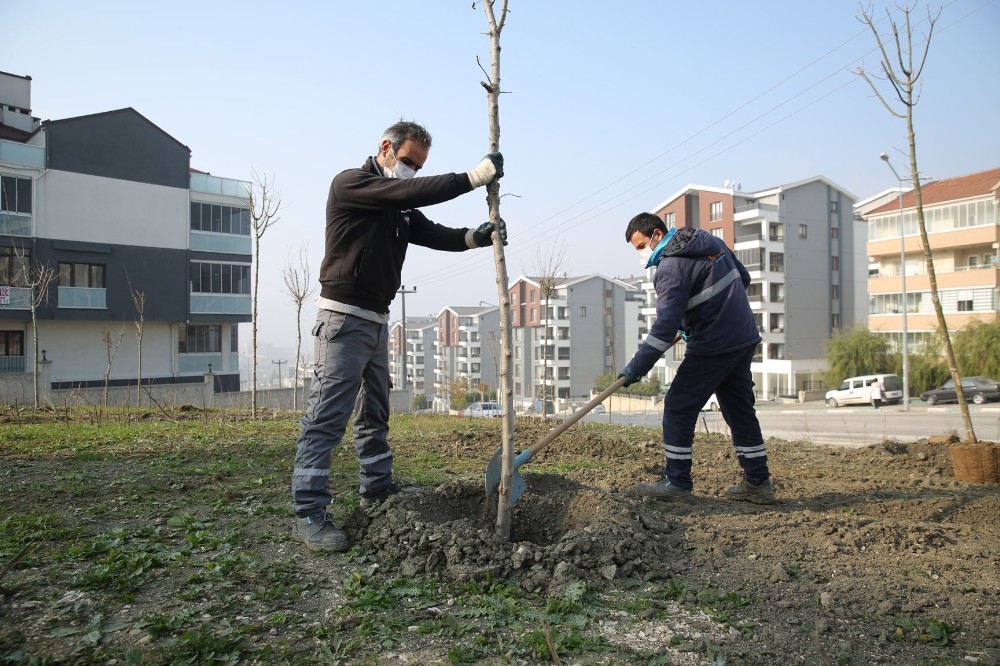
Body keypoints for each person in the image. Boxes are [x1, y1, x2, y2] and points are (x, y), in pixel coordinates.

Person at [291, 120, 505, 552]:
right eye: (407, 161)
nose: (411, 171)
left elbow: (431, 232)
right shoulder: (353, 184)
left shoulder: (400, 206)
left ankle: (377, 487)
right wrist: (473, 177)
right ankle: (309, 510)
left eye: (419, 165)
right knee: (327, 418)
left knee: (375, 411)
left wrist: (473, 238)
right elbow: (409, 192)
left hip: (376, 319)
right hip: (342, 319)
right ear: (385, 148)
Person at [618, 213, 774, 504]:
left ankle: (676, 481)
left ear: (655, 234)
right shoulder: (708, 241)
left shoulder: (670, 267)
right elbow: (743, 278)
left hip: (713, 344)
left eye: (641, 246)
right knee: (739, 410)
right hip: (743, 338)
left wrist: (635, 369)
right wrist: (704, 314)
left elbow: (664, 327)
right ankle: (757, 482)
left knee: (678, 405)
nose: (642, 253)